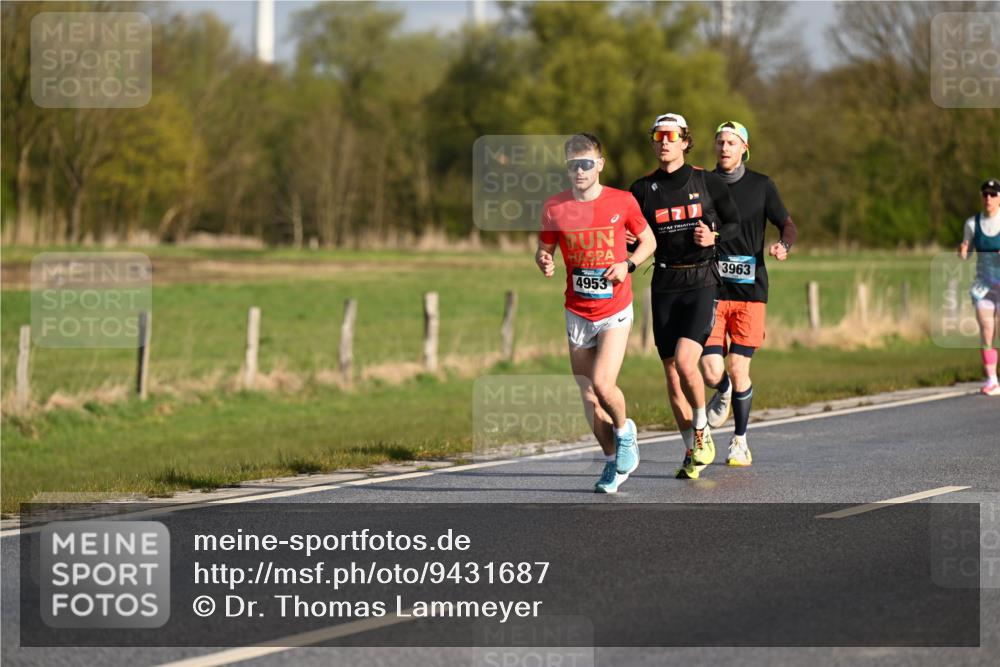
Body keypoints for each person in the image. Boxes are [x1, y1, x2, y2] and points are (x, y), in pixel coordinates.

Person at [536, 133, 657, 493]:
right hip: (576, 310)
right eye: (573, 165)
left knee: (603, 384)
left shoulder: (623, 201)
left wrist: (629, 264)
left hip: (614, 308)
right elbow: (545, 249)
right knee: (588, 396)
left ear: (599, 165)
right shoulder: (555, 207)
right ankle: (612, 462)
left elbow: (649, 240)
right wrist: (543, 260)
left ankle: (625, 434)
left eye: (586, 163)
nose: (580, 171)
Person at [628, 114, 740, 480]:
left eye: (671, 136)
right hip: (663, 283)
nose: (663, 141)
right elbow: (632, 233)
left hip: (701, 281)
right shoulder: (642, 190)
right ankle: (693, 450)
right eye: (657, 135)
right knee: (672, 376)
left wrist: (715, 237)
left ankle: (702, 429)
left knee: (686, 360)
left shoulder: (705, 181)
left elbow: (733, 222)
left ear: (684, 141)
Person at [699, 121, 798, 466]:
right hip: (711, 288)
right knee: (712, 370)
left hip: (750, 292)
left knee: (739, 367)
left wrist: (783, 245)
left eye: (731, 142)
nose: (724, 148)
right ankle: (722, 390)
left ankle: (739, 441)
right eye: (720, 142)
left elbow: (787, 223)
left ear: (744, 148)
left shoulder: (762, 185)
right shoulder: (702, 184)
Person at [958, 178, 1000, 396]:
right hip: (984, 284)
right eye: (985, 194)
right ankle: (992, 379)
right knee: (986, 330)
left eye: (993, 194)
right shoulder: (972, 223)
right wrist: (963, 251)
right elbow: (966, 252)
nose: (989, 198)